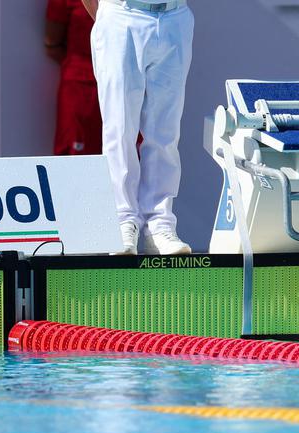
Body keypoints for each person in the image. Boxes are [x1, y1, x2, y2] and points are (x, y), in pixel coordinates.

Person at [81, 0, 194, 255]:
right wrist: (110, 16)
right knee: (119, 129)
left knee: (165, 132)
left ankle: (160, 224)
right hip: (122, 13)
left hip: (175, 16)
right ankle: (122, 220)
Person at [46, 0, 102, 156]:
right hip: (81, 88)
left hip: (125, 88)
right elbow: (52, 44)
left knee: (127, 159)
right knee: (73, 158)